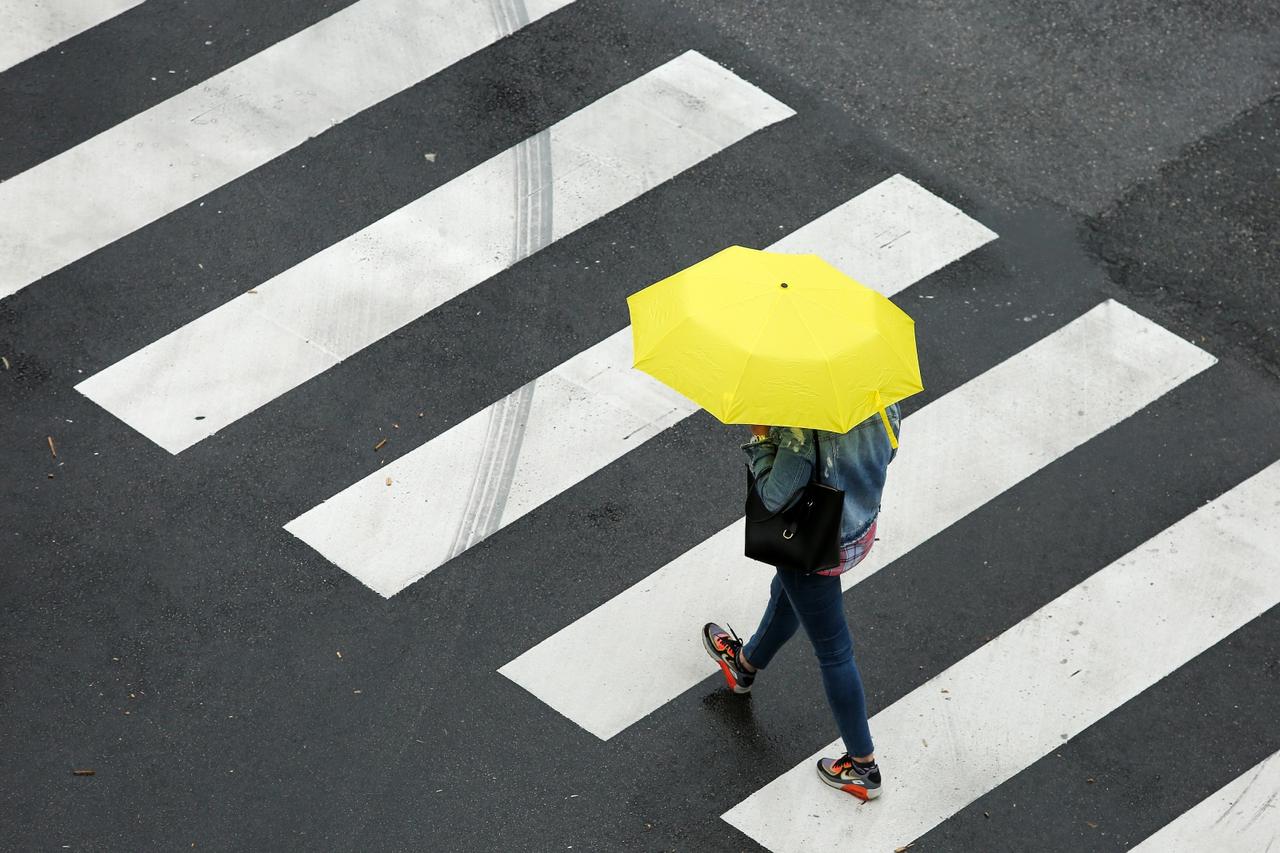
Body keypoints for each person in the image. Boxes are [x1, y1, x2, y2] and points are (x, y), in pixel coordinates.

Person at [702, 405, 901, 801]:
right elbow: (890, 449)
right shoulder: (877, 396)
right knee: (790, 594)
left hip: (815, 541)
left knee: (835, 652)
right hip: (858, 528)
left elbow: (775, 496)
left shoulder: (801, 421)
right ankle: (744, 666)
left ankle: (863, 766)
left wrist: (761, 438)